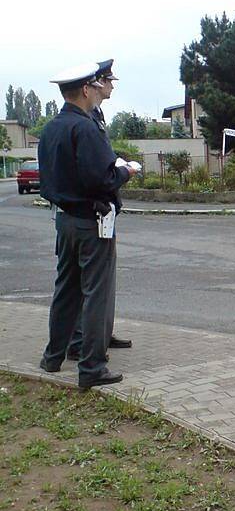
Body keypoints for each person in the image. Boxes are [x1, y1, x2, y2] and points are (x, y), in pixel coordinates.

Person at [38, 63, 139, 388]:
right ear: (85, 89)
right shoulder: (86, 128)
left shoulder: (52, 128)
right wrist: (127, 172)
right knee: (95, 293)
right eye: (97, 86)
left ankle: (53, 357)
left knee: (65, 291)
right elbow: (102, 179)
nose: (100, 90)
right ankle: (92, 367)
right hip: (91, 222)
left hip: (64, 219)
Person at [66, 59, 132, 360]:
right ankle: (83, 344)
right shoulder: (83, 118)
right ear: (91, 86)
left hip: (97, 211)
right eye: (107, 82)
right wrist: (121, 171)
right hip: (88, 212)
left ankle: (101, 333)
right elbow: (92, 170)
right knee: (88, 284)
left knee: (99, 283)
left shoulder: (95, 114)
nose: (111, 86)